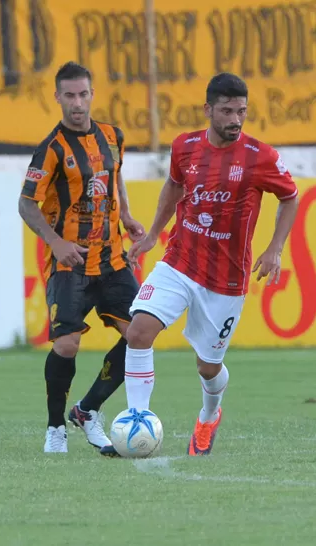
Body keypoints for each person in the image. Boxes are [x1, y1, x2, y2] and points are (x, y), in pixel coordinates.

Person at [122, 72, 299, 456]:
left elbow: (291, 197)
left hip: (225, 280)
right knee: (138, 332)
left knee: (207, 367)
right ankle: (137, 418)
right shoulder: (184, 147)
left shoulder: (260, 157)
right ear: (208, 110)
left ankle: (208, 416)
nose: (235, 119)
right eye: (227, 111)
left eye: (242, 111)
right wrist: (154, 233)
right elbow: (173, 187)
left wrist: (275, 248)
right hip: (179, 261)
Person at [18, 62, 146, 454]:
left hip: (113, 260)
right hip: (69, 262)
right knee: (67, 346)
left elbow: (115, 174)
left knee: (141, 336)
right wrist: (55, 243)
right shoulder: (51, 148)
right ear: (57, 97)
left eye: (83, 94)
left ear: (93, 94)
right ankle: (55, 427)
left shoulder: (112, 136)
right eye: (69, 96)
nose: (77, 103)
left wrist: (124, 214)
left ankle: (88, 410)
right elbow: (26, 204)